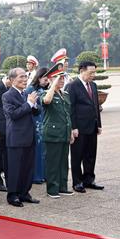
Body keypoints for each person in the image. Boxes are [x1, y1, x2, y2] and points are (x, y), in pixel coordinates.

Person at [2, 67, 40, 207]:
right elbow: (14, 114)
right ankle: (13, 195)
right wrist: (29, 104)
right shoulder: (7, 96)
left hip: (29, 137)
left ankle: (25, 193)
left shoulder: (26, 93)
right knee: (15, 168)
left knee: (27, 167)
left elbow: (36, 112)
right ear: (12, 80)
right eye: (21, 77)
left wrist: (34, 104)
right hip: (16, 138)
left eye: (25, 77)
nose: (25, 80)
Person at [66, 60, 104, 193]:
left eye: (94, 72)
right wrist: (73, 127)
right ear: (82, 71)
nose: (93, 75)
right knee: (77, 155)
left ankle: (89, 180)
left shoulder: (93, 85)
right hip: (79, 128)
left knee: (90, 155)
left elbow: (95, 106)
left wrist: (98, 124)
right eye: (90, 72)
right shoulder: (72, 86)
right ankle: (77, 182)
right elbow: (70, 108)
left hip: (92, 126)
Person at [41, 63, 75, 198]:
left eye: (62, 79)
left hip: (64, 132)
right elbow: (46, 101)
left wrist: (71, 131)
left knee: (63, 162)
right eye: (58, 78)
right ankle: (52, 189)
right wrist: (53, 85)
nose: (61, 81)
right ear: (50, 79)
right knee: (53, 162)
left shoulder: (65, 94)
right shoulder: (45, 93)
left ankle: (62, 186)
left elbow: (68, 115)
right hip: (52, 134)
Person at [26, 67, 49, 185]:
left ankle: (44, 174)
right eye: (45, 78)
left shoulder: (47, 89)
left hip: (45, 121)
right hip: (35, 122)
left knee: (45, 150)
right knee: (37, 149)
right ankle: (36, 176)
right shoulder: (31, 89)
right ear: (39, 78)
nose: (47, 81)